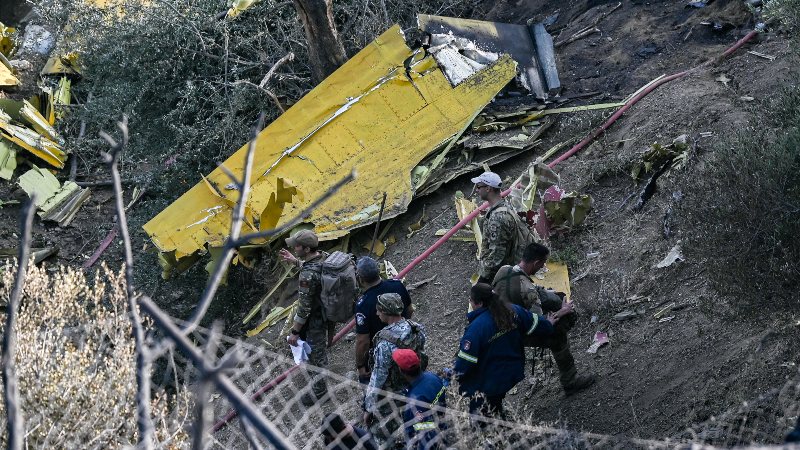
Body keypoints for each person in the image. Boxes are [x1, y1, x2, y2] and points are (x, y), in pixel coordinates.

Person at [454, 283, 573, 419]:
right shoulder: (513, 311)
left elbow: (464, 365)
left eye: (471, 300)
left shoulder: (475, 330)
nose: (470, 303)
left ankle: (496, 433)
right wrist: (557, 316)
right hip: (512, 372)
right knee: (494, 403)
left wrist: (451, 378)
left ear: (479, 303)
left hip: (490, 383)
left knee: (480, 417)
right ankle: (499, 416)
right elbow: (539, 324)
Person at [493, 243, 596, 395]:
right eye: (542, 263)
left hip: (497, 322)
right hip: (513, 332)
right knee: (558, 335)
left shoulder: (504, 270)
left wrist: (551, 294)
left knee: (553, 298)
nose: (543, 266)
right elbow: (540, 323)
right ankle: (571, 381)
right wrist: (563, 311)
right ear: (536, 263)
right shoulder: (527, 289)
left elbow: (527, 292)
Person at [363, 293, 426, 442]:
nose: (377, 313)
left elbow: (378, 377)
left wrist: (368, 408)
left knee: (379, 432)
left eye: (379, 310)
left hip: (394, 394)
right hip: (416, 383)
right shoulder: (417, 329)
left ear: (386, 312)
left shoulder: (385, 342)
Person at [280, 229, 330, 404]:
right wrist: (296, 262)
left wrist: (294, 332)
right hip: (325, 310)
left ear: (307, 249)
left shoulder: (307, 276)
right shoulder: (324, 257)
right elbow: (314, 269)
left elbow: (304, 308)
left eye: (297, 246)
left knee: (316, 357)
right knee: (318, 352)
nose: (294, 248)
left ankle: (320, 393)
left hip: (315, 318)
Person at [354, 256, 414, 384]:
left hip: (380, 354)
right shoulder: (397, 285)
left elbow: (362, 341)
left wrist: (360, 366)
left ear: (360, 279)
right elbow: (409, 310)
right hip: (406, 342)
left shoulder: (363, 305)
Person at [392, 349, 447, 449]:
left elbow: (415, 428)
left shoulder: (414, 401)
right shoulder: (432, 377)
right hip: (442, 423)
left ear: (401, 371)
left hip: (427, 440)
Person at [472, 171, 518, 284]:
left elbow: (497, 254)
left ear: (488, 188)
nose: (476, 190)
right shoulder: (505, 206)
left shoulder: (497, 217)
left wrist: (483, 278)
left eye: (478, 186)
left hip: (500, 276)